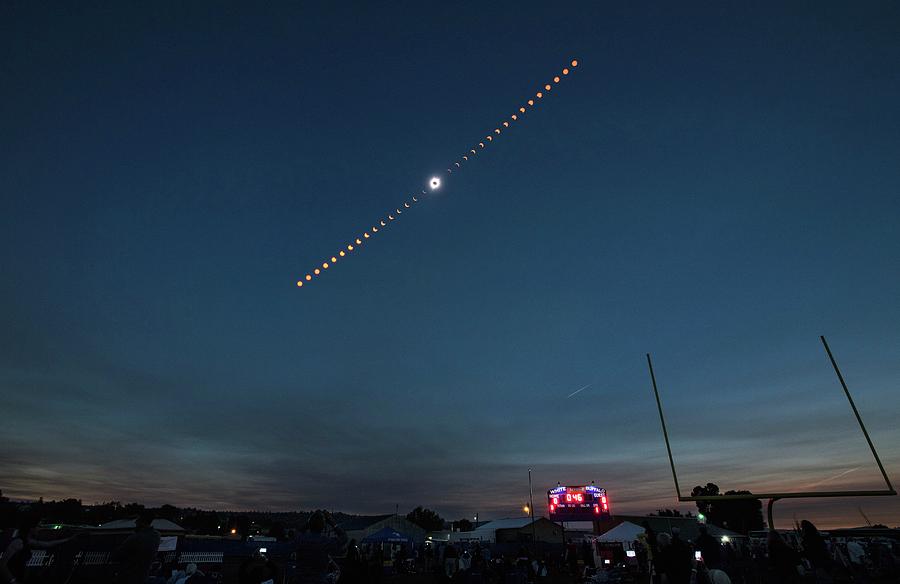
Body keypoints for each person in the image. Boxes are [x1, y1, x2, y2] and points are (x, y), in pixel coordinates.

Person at [294, 510, 348, 583]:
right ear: (323, 526)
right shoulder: (326, 541)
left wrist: (311, 520)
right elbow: (344, 537)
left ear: (309, 525)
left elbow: (298, 532)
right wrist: (332, 522)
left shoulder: (300, 539)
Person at [110, 512, 161, 584]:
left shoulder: (135, 538)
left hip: (128, 577)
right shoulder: (156, 536)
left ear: (142, 523)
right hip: (143, 577)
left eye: (137, 521)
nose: (135, 522)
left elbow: (115, 556)